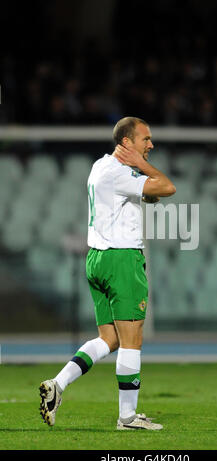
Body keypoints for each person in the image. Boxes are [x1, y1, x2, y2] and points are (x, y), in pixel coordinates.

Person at [39, 116, 176, 430]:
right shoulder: (119, 172)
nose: (151, 145)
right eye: (145, 140)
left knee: (109, 339)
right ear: (127, 142)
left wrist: (141, 179)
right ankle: (127, 418)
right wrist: (144, 167)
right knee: (132, 341)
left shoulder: (100, 166)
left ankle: (57, 386)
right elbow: (167, 187)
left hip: (97, 258)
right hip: (121, 260)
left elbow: (143, 195)